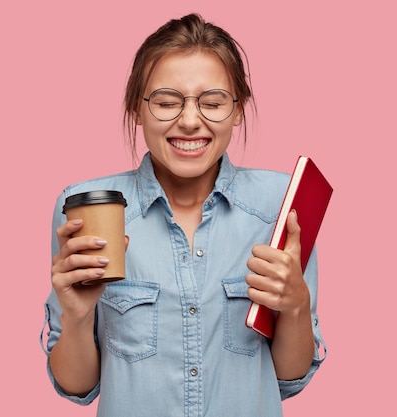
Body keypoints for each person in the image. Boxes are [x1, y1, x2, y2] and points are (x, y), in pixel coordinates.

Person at [41, 13, 326, 417]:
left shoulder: (282, 205)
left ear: (238, 110)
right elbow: (78, 386)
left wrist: (295, 306)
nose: (190, 121)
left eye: (211, 102)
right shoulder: (86, 207)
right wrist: (76, 313)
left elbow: (288, 377)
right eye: (166, 102)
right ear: (136, 109)